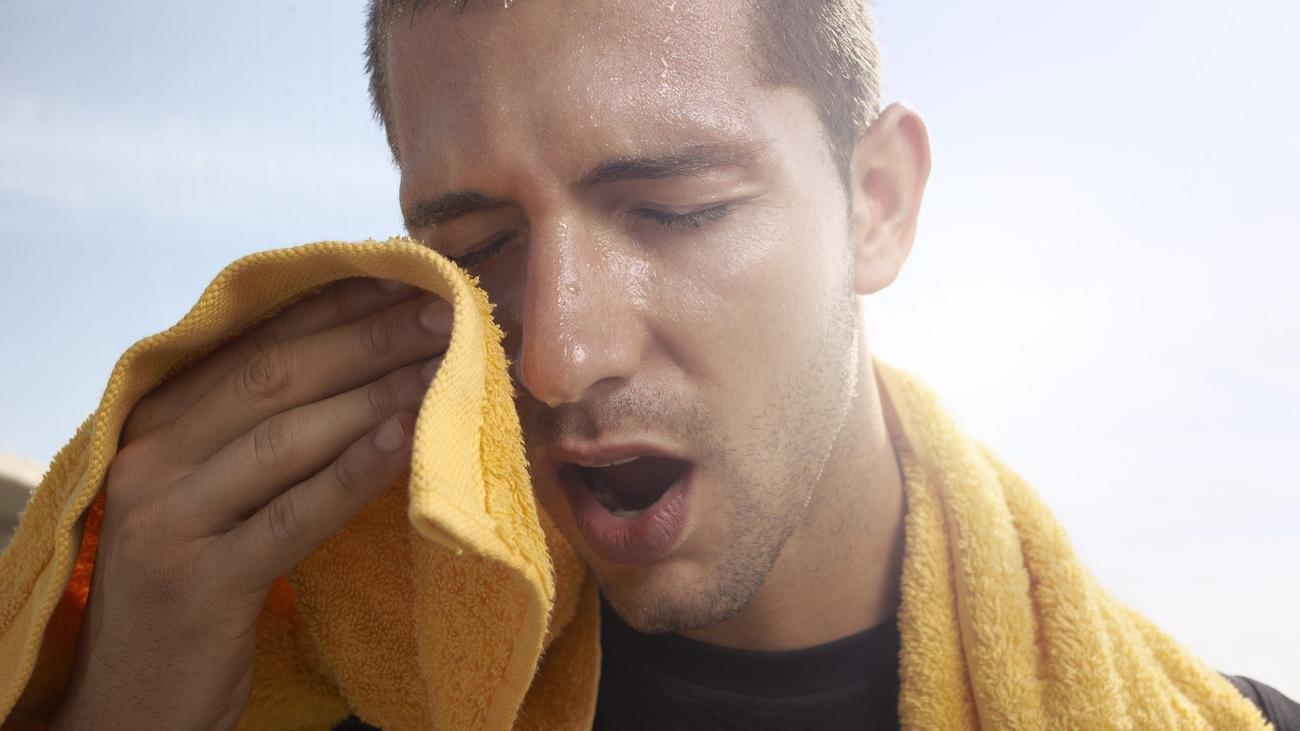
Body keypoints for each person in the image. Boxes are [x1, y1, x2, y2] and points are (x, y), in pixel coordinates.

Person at [48, 1, 1297, 729]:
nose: (555, 354)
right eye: (479, 247)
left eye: (675, 209)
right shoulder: (339, 695)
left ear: (877, 204)